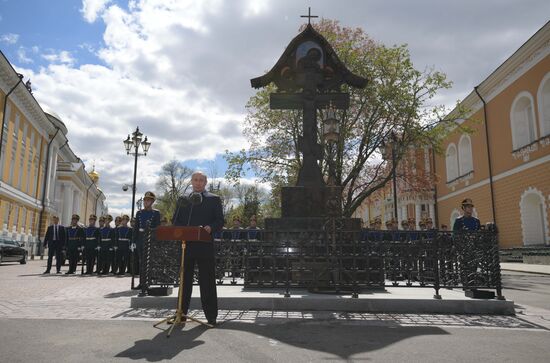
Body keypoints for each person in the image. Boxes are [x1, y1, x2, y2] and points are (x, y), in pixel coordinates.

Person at [172, 171, 224, 326]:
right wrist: (182, 230)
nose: (198, 182)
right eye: (195, 180)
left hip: (205, 245)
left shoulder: (214, 199)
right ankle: (181, 314)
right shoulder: (183, 199)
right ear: (191, 182)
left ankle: (211, 316)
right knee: (184, 281)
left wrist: (210, 227)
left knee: (207, 281)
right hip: (186, 245)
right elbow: (176, 220)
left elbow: (220, 220)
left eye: (201, 180)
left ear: (205, 182)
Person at [134, 192, 161, 283]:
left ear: (152, 201)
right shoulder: (139, 213)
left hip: (150, 238)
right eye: (145, 200)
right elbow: (136, 228)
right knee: (141, 261)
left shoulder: (156, 213)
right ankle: (142, 282)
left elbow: (158, 227)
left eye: (148, 200)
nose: (146, 202)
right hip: (141, 239)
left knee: (149, 262)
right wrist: (134, 241)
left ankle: (148, 281)